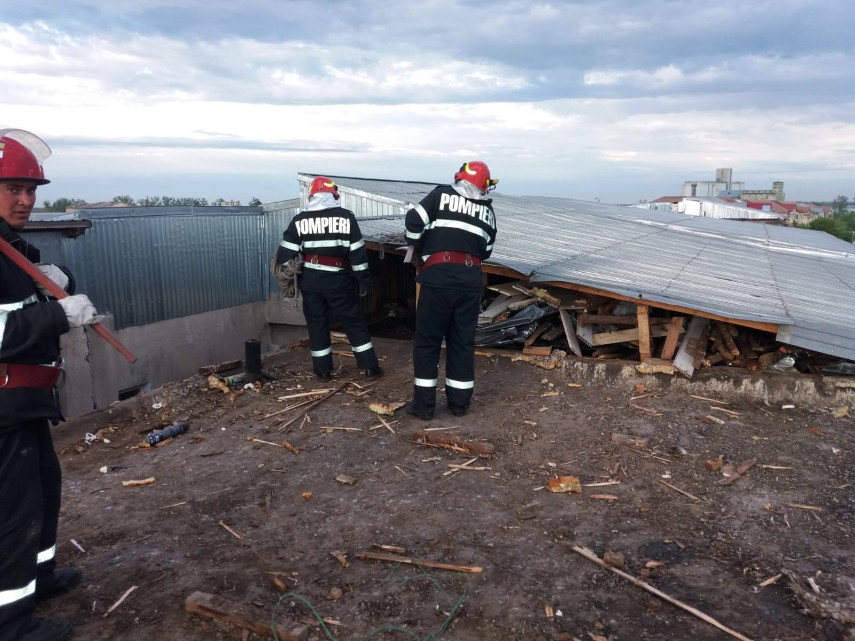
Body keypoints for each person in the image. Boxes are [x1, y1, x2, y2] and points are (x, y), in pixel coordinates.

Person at [1, 129, 101, 641]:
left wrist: (55, 276)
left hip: (27, 402)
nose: (25, 200)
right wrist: (57, 316)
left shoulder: (12, 245)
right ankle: (11, 622)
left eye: (31, 189)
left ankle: (37, 578)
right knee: (12, 513)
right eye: (12, 188)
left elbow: (24, 295)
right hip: (3, 406)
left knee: (43, 490)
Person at [404, 161, 498, 420]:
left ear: (459, 178)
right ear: (484, 185)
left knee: (428, 342)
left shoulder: (440, 194)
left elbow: (413, 220)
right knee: (461, 343)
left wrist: (417, 245)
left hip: (438, 278)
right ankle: (459, 404)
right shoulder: (488, 212)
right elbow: (487, 250)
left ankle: (424, 406)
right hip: (470, 281)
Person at [274, 176, 382, 380]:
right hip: (338, 280)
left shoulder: (299, 220)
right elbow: (357, 253)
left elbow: (284, 255)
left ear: (312, 196)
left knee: (317, 324)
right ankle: (369, 367)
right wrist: (364, 280)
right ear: (333, 195)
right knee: (353, 322)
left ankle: (323, 371)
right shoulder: (346, 217)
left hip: (311, 281)